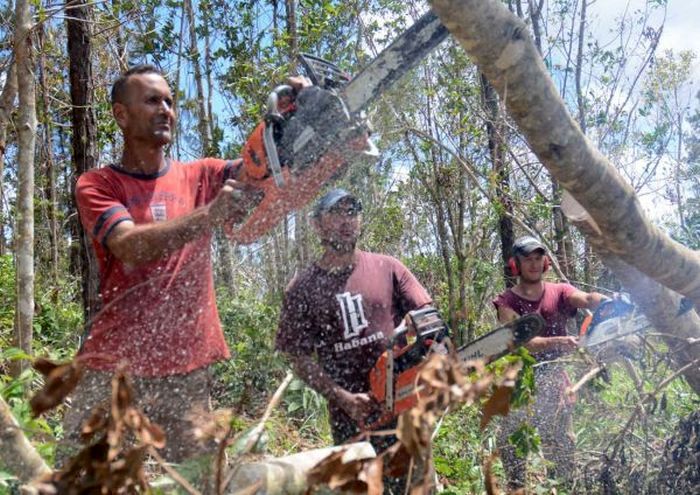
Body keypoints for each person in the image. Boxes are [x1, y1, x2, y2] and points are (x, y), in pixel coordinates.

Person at [62, 64, 265, 463]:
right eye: (152, 100)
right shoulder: (98, 184)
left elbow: (259, 170)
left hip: (185, 368)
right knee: (77, 472)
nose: (166, 110)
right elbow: (128, 245)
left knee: (200, 479)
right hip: (113, 366)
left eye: (170, 102)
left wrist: (291, 121)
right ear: (121, 114)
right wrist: (209, 216)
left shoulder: (202, 175)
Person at [275, 189, 435, 492]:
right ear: (318, 224)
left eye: (352, 212)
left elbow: (428, 314)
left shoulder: (388, 267)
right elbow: (299, 359)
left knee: (417, 487)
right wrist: (343, 398)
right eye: (336, 214)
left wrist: (425, 337)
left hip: (403, 405)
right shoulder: (301, 288)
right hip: (350, 417)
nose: (345, 221)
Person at [492, 235, 609, 489]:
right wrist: (561, 341)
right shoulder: (506, 302)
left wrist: (606, 303)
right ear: (516, 265)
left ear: (545, 262)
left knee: (561, 449)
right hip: (521, 383)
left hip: (555, 381)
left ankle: (566, 489)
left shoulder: (560, 291)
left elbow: (586, 298)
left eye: (538, 258)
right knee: (512, 448)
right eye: (527, 259)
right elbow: (524, 340)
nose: (534, 264)